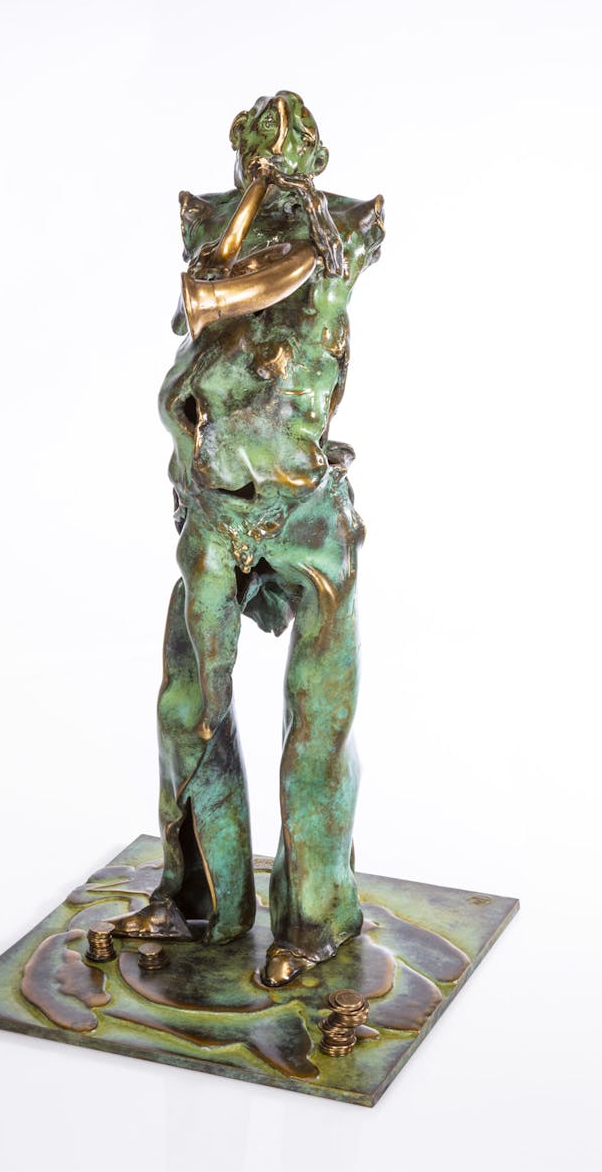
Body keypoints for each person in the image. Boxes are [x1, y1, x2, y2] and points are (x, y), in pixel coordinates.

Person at [112, 91, 385, 986]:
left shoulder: (343, 226)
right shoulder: (213, 222)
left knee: (319, 723)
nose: (268, 157)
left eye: (282, 149)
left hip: (306, 511)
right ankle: (203, 900)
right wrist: (252, 209)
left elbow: (290, 280)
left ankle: (317, 919)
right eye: (257, 151)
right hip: (213, 504)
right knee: (187, 704)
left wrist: (291, 216)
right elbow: (201, 301)